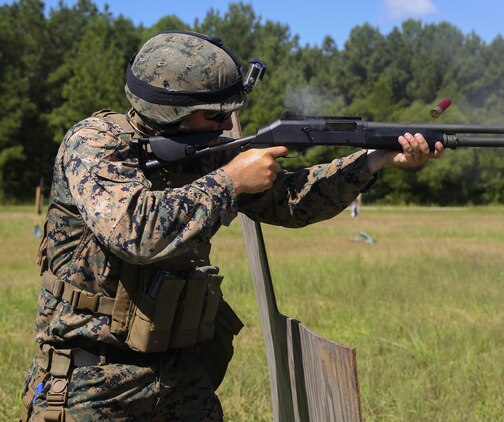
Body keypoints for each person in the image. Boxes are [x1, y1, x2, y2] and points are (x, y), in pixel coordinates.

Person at [20, 30, 443, 421]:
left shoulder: (203, 150)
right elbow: (137, 232)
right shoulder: (95, 143)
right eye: (215, 116)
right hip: (93, 378)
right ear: (173, 110)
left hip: (181, 372)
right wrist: (231, 180)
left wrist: (374, 160)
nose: (226, 127)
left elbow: (291, 203)